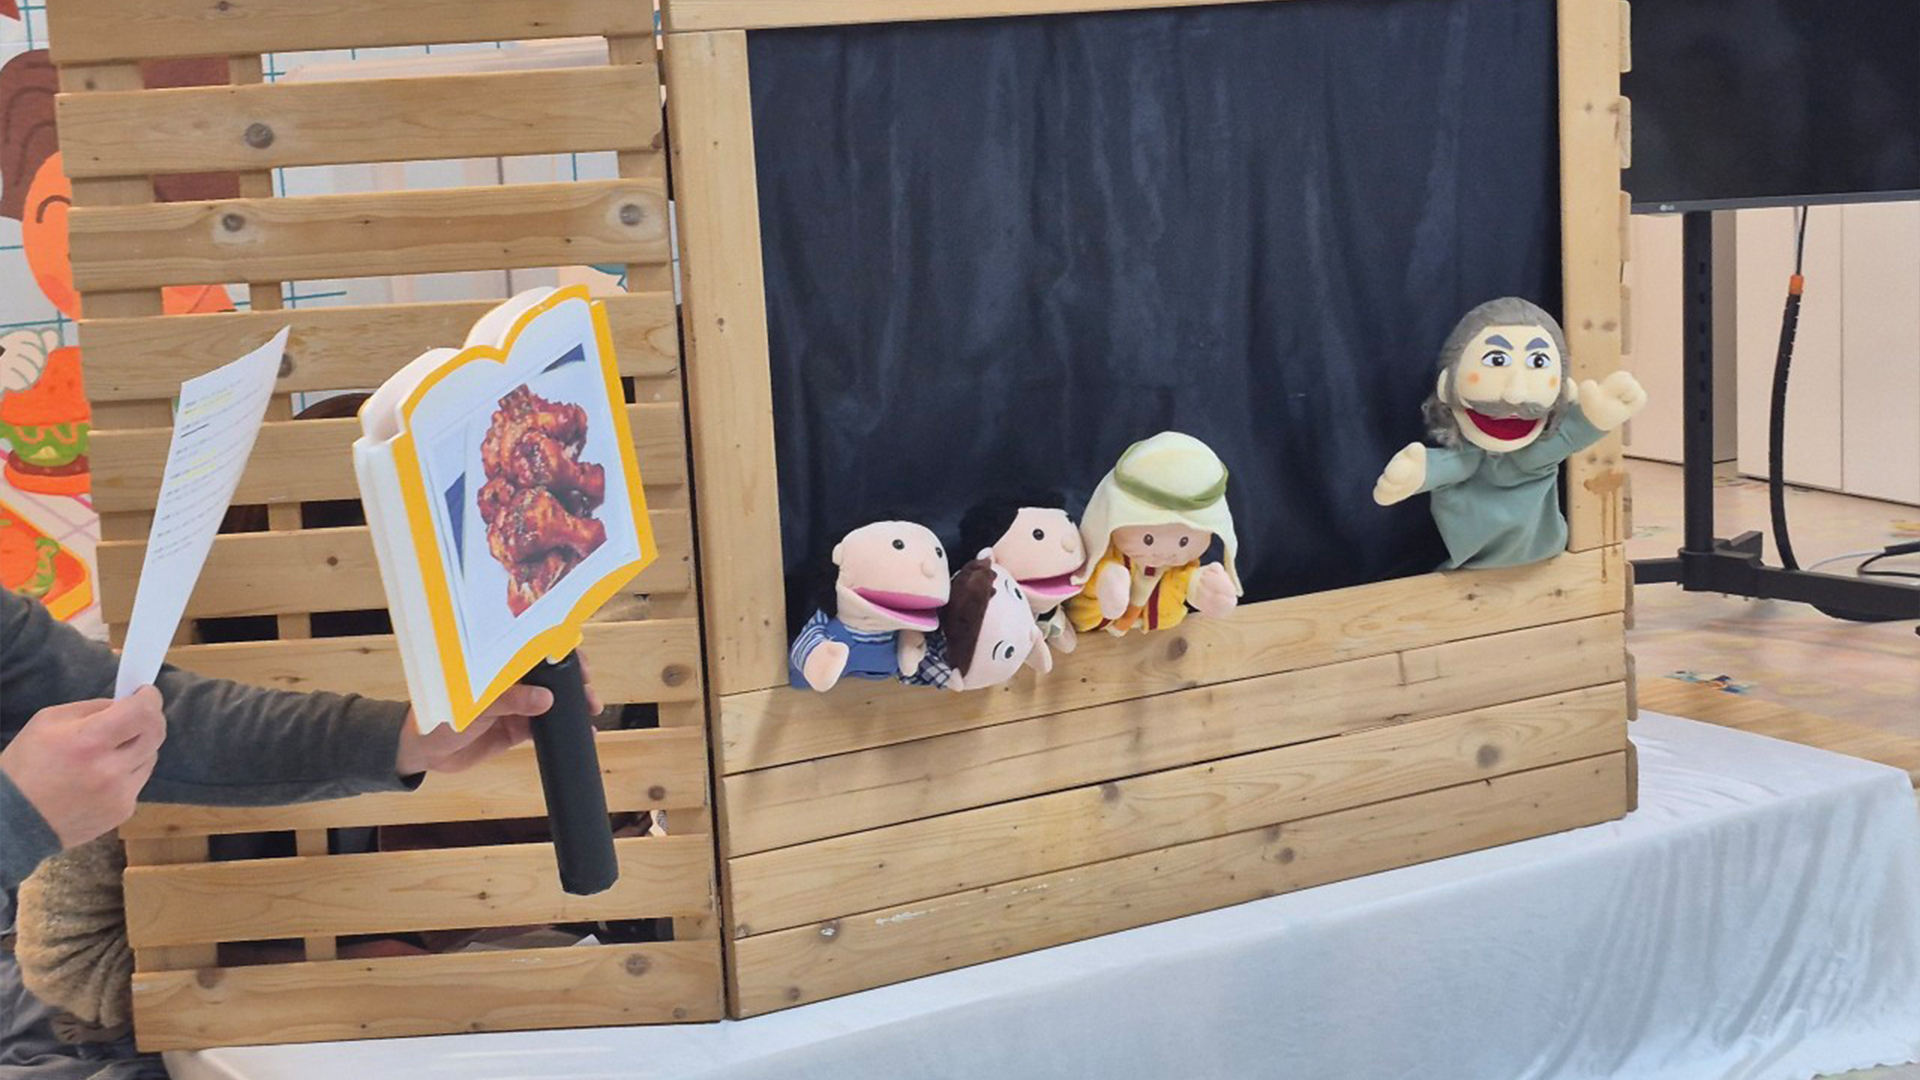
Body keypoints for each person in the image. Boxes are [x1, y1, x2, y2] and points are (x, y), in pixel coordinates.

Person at [0, 588, 577, 1079]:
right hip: (153, 1026)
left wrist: (399, 739)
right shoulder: (200, 633)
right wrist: (20, 815)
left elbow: (167, 717)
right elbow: (69, 958)